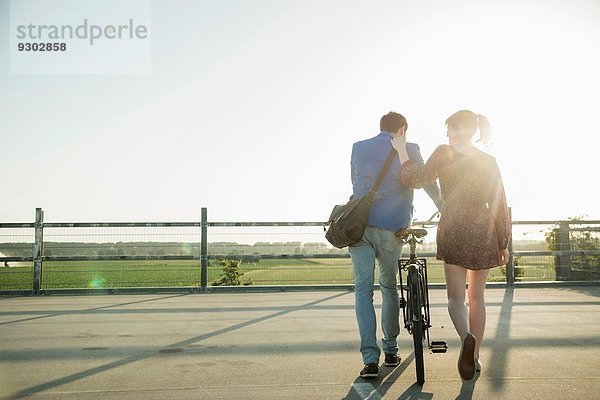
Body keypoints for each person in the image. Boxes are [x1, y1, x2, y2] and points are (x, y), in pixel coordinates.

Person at [391, 110, 510, 381]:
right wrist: (503, 241)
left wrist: (401, 150)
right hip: (483, 227)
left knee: (455, 298)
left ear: (461, 130)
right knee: (476, 297)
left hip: (454, 225)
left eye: (450, 129)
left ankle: (465, 336)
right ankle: (475, 356)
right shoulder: (488, 161)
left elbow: (414, 179)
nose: (448, 134)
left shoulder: (445, 153)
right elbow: (499, 202)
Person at [350, 111, 443, 378]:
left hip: (360, 227)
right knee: (389, 287)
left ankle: (369, 360)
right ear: (402, 129)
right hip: (393, 228)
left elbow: (356, 182)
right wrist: (442, 207)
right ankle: (390, 350)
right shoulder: (410, 148)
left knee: (362, 290)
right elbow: (426, 182)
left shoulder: (359, 147)